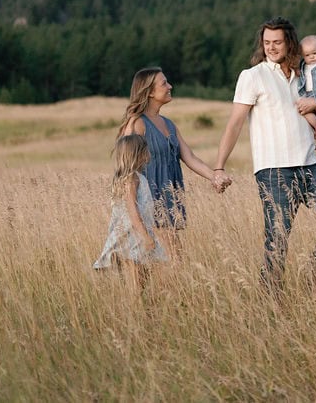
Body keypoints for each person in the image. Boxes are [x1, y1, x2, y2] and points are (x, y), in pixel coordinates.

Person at [214, 17, 316, 290]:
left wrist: (315, 103)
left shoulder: (307, 74)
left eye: (277, 42)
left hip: (310, 165)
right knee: (277, 240)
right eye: (266, 43)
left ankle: (314, 278)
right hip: (274, 170)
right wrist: (219, 166)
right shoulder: (252, 76)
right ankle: (270, 304)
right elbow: (235, 124)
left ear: (289, 42)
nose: (271, 48)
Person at [118, 67, 230, 255]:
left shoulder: (169, 124)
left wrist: (215, 177)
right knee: (164, 266)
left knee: (166, 268)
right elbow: (127, 175)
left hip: (168, 206)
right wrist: (137, 222)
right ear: (150, 92)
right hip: (147, 208)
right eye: (164, 83)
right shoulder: (137, 124)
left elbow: (190, 158)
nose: (170, 86)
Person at [93, 134, 168, 286]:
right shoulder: (131, 179)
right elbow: (133, 210)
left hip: (138, 232)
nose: (149, 152)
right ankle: (136, 306)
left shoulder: (137, 177)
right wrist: (146, 236)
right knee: (137, 278)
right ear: (138, 154)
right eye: (146, 149)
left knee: (145, 276)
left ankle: (143, 305)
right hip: (133, 235)